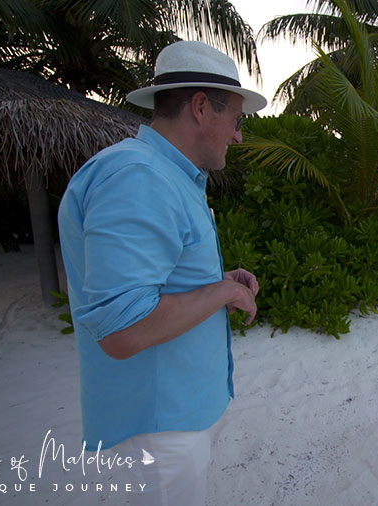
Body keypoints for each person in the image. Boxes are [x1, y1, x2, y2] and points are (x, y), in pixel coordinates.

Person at [57, 40, 267, 506]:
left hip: (174, 421)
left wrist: (222, 283)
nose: (237, 136)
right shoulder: (139, 176)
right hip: (158, 435)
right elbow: (123, 329)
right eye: (236, 119)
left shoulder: (165, 174)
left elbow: (159, 278)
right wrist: (219, 292)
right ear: (199, 108)